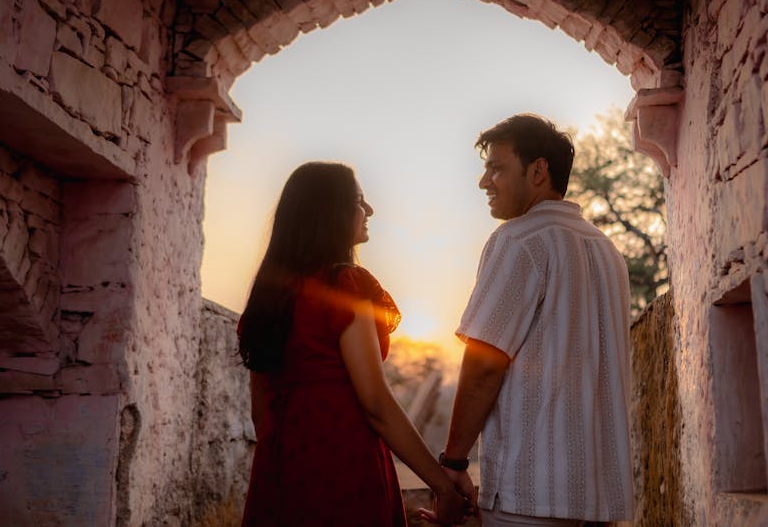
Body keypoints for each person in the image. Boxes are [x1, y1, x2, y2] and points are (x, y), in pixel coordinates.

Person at [237, 161, 467, 526]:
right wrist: (442, 485)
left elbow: (260, 413)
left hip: (279, 470)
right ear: (331, 212)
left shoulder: (268, 299)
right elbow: (376, 403)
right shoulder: (344, 285)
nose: (369, 210)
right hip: (343, 468)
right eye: (360, 201)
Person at [438, 115, 635, 526]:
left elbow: (484, 363)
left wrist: (453, 462)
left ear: (538, 171)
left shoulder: (518, 240)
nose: (484, 182)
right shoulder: (607, 251)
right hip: (598, 498)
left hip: (528, 497)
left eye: (496, 168)